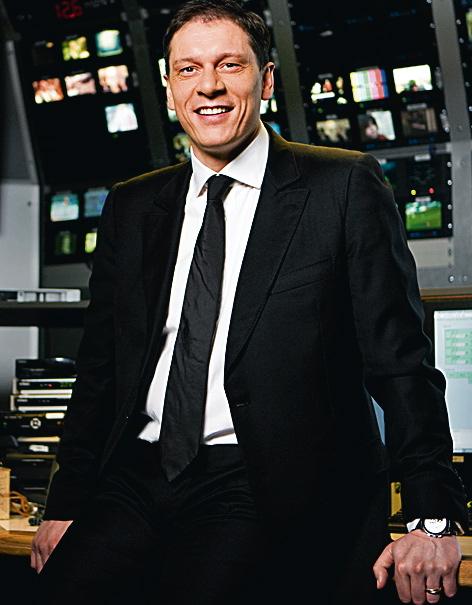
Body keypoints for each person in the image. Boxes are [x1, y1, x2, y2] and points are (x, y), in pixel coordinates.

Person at [31, 1, 467, 604]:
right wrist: (66, 501)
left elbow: (401, 361)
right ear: (168, 88)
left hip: (263, 479)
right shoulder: (132, 206)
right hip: (137, 475)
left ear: (265, 81)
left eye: (229, 65)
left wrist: (432, 515)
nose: (208, 85)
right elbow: (101, 368)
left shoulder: (342, 185)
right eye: (188, 69)